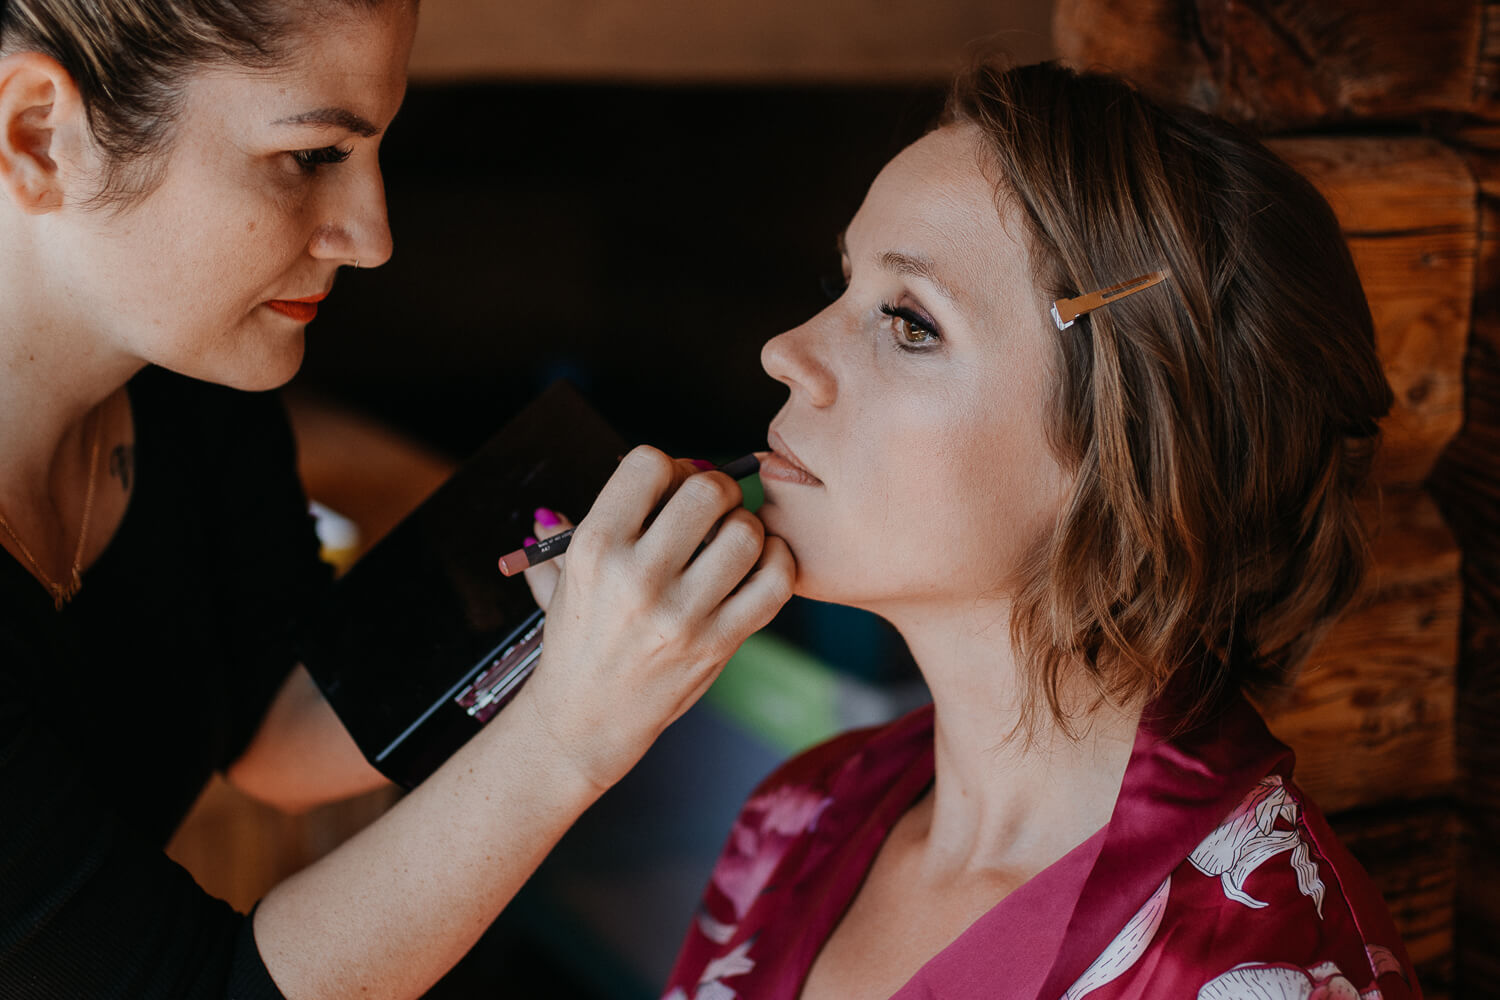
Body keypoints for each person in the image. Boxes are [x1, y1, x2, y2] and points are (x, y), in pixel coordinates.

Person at [0, 1, 794, 998]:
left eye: (372, 150)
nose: (371, 237)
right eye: (313, 154)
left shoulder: (187, 377)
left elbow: (276, 721)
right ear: (40, 135)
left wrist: (573, 595)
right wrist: (570, 734)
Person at [656, 61, 1422, 1000]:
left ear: (1126, 453)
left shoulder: (1257, 966)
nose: (785, 350)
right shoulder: (801, 813)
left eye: (908, 322)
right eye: (842, 281)